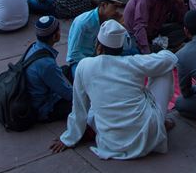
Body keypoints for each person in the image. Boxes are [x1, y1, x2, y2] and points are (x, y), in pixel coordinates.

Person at [51, 20, 177, 158]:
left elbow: (79, 107)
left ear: (98, 47)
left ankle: (84, 131)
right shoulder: (133, 62)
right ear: (121, 48)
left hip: (111, 143)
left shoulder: (84, 65)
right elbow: (170, 58)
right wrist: (150, 57)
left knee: (93, 107)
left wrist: (69, 138)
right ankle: (160, 120)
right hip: (148, 137)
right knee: (164, 70)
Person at [123, 0, 187, 53]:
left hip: (154, 30)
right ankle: (160, 50)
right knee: (136, 51)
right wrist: (147, 52)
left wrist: (180, 2)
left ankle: (160, 49)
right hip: (135, 33)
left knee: (185, 29)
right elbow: (140, 26)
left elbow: (181, 19)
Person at [24, 16, 74, 124]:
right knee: (81, 103)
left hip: (35, 92)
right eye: (59, 30)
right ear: (55, 36)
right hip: (43, 108)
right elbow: (68, 94)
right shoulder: (46, 63)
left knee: (66, 70)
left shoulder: (34, 47)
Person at [66, 0, 130, 69]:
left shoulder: (111, 20)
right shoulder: (83, 22)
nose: (118, 11)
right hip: (80, 61)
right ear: (104, 5)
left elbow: (126, 47)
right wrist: (95, 64)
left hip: (100, 58)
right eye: (115, 7)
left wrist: (120, 27)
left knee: (132, 53)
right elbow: (74, 54)